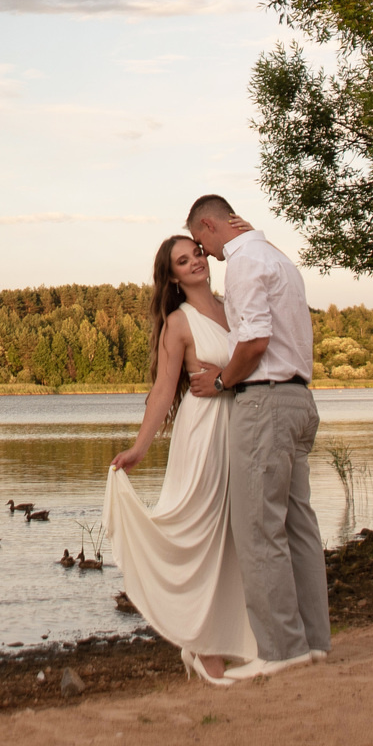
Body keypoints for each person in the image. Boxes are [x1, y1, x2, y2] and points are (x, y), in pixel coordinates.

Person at [103, 234, 262, 685]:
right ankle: (202, 650)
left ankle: (231, 642)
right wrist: (139, 448)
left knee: (236, 538)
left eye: (196, 254)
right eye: (182, 261)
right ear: (171, 275)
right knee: (197, 532)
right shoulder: (178, 322)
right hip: (202, 433)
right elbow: (162, 391)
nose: (195, 263)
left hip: (242, 429)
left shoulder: (234, 307)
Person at [185, 193, 330, 671]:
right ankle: (313, 642)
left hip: (265, 402)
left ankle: (281, 652)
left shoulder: (245, 264)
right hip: (300, 400)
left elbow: (256, 340)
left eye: (201, 244)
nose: (205, 255)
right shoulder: (279, 259)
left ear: (209, 224)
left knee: (257, 530)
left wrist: (224, 380)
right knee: (299, 528)